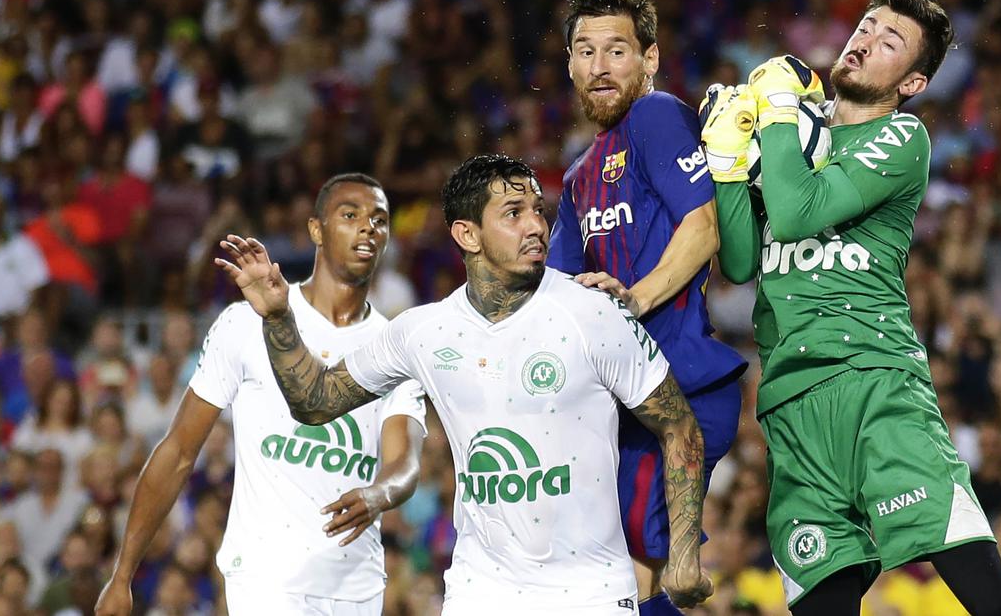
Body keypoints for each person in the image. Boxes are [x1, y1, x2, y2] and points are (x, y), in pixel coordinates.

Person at [705, 0, 1001, 616]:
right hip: (790, 407)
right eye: (866, 26)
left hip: (878, 388)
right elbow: (738, 262)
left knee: (991, 604)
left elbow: (794, 215)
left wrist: (781, 113)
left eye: (890, 39)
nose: (865, 41)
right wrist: (731, 162)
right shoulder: (789, 140)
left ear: (913, 83)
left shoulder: (902, 139)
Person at [217, 154, 714, 615]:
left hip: (591, 593)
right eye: (513, 213)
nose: (536, 225)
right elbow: (314, 401)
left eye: (538, 210)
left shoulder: (594, 311)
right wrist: (280, 318)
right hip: (480, 592)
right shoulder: (424, 331)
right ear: (467, 234)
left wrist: (685, 553)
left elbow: (679, 428)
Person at [96, 173, 427, 616]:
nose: (368, 227)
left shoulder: (395, 346)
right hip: (265, 580)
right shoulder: (244, 322)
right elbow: (177, 450)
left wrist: (379, 494)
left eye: (380, 219)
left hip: (356, 587)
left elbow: (404, 463)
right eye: (350, 215)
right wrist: (122, 574)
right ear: (316, 230)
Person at [549, 0, 747, 616]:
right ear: (569, 64)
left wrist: (628, 303)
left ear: (650, 58)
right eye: (585, 51)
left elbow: (703, 227)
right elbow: (552, 292)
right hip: (619, 403)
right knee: (629, 579)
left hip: (679, 381)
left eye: (616, 50)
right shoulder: (578, 175)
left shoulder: (657, 116)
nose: (599, 66)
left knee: (635, 560)